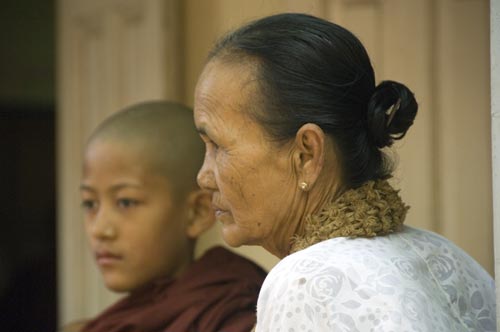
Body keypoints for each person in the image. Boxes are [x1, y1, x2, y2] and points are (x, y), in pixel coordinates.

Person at [194, 13, 496, 331]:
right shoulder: (447, 257)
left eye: (218, 146)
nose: (203, 176)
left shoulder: (309, 280)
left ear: (306, 154)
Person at [73, 101, 266, 332]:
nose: (100, 229)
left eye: (126, 202)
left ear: (197, 213)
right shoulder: (110, 324)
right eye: (90, 203)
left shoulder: (231, 313)